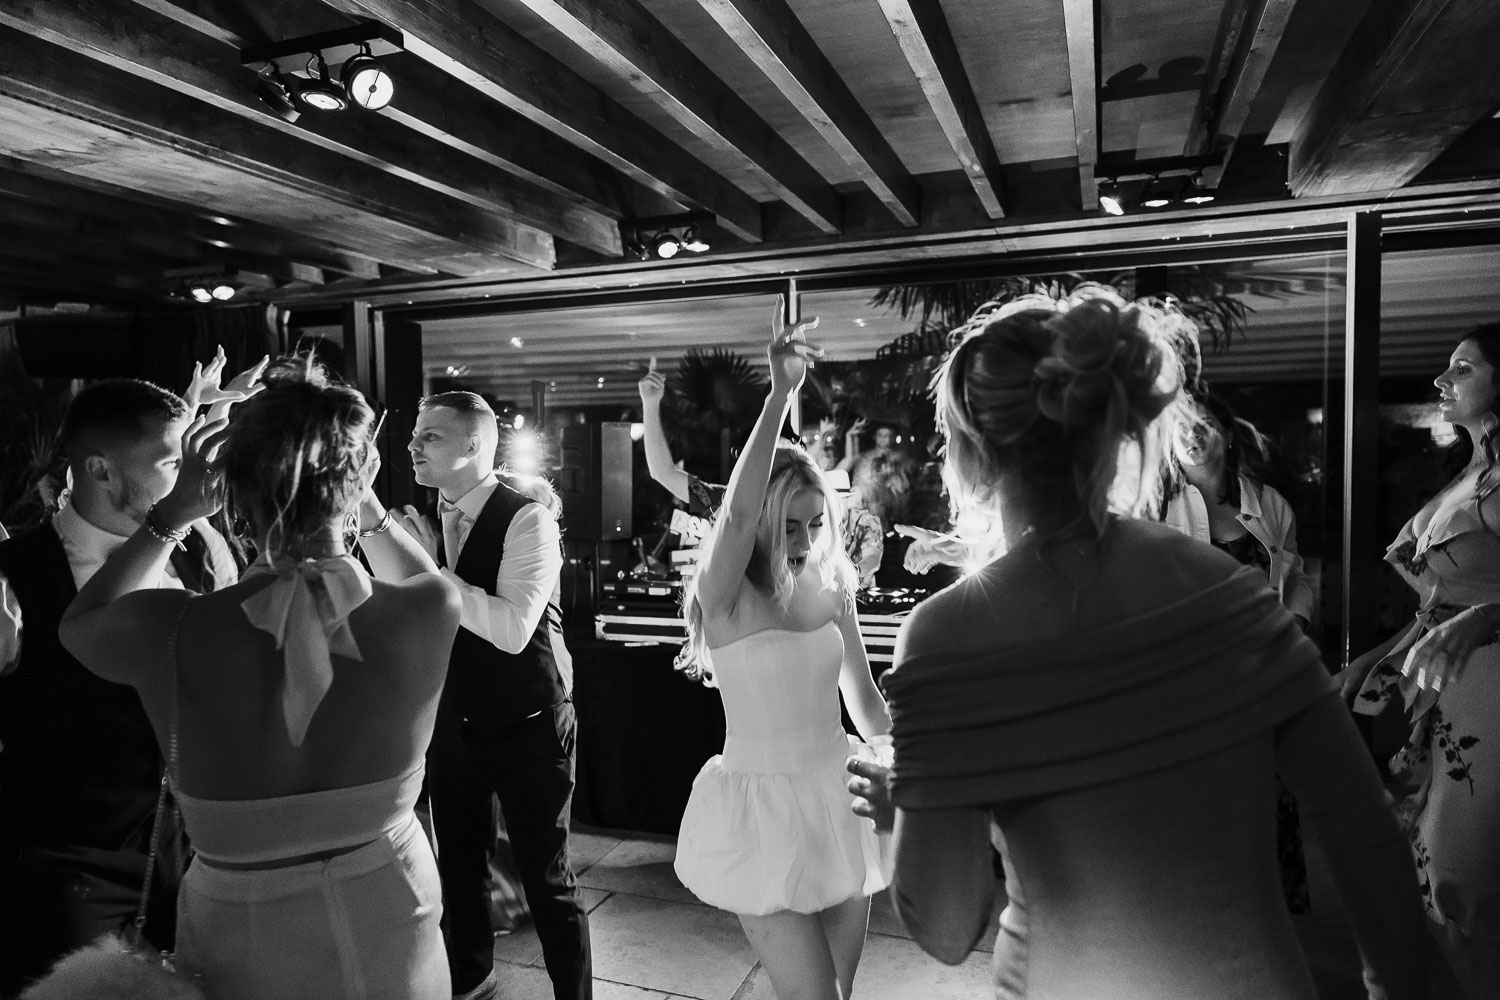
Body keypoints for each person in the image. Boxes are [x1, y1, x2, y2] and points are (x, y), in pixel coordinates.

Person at [845, 287, 1431, 999]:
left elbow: (944, 926)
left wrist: (910, 804)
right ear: (1112, 430)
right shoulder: (1229, 589)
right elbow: (1364, 833)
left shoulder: (947, 634)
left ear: (970, 451)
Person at [55, 359, 461, 999]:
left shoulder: (171, 628)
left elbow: (80, 625)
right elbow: (423, 577)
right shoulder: (428, 612)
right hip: (390, 910)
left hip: (241, 926)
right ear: (358, 482)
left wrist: (174, 511)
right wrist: (365, 500)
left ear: (232, 494)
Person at [673, 309, 893, 1000]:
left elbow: (865, 702)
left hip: (840, 797)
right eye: (788, 524)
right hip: (761, 812)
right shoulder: (727, 593)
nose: (802, 539)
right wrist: (778, 396)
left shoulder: (833, 585)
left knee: (838, 992)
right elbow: (734, 517)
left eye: (814, 524)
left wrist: (901, 768)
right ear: (763, 522)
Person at [0, 378, 239, 997]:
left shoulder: (203, 553)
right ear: (101, 471)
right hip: (70, 870)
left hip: (193, 863)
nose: (190, 478)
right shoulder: (15, 579)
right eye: (170, 461)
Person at [384, 391, 589, 1000]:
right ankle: (471, 985)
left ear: (474, 445)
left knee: (547, 880)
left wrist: (426, 568)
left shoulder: (528, 518)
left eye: (431, 437)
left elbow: (511, 629)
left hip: (530, 721)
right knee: (459, 871)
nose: (413, 447)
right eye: (416, 435)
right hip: (453, 720)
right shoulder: (420, 520)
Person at [1339, 321, 1500, 998]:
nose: (1442, 381)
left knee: (1459, 888)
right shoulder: (1471, 473)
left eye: (1462, 369)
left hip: (1485, 691)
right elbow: (1436, 602)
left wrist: (1485, 618)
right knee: (1417, 878)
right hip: (1437, 684)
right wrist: (1366, 662)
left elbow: (1473, 605)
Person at [1162, 390, 1317, 914]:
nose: (1192, 433)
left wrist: (1293, 621)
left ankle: (1269, 941)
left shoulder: (1268, 504)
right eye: (1181, 425)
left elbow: (1295, 575)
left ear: (1227, 435)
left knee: (1265, 808)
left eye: (1204, 423)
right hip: (1184, 688)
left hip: (1259, 682)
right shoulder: (1154, 508)